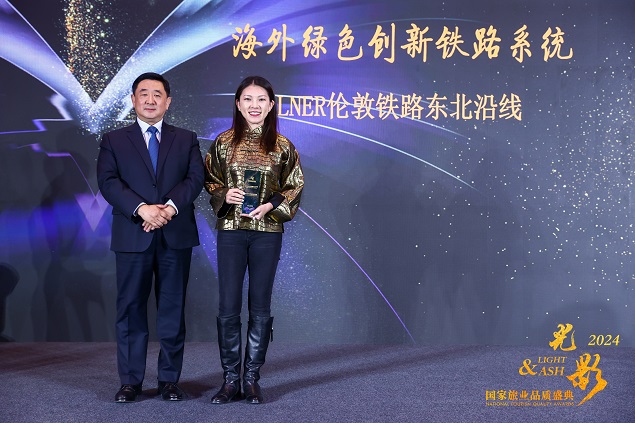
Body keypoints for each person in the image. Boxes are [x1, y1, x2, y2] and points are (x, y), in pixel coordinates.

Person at [97, 72, 204, 403]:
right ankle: (130, 381)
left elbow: (195, 178)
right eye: (143, 93)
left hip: (175, 233)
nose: (150, 99)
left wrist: (168, 209)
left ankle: (169, 380)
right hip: (133, 233)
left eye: (157, 94)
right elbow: (108, 181)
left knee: (172, 309)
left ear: (167, 102)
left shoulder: (186, 138)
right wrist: (142, 209)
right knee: (130, 309)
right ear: (133, 100)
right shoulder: (114, 139)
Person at [204, 76, 304, 404]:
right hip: (231, 230)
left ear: (271, 105)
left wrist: (271, 205)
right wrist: (224, 194)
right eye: (248, 99)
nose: (254, 105)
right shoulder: (223, 142)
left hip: (267, 232)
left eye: (261, 99)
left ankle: (251, 379)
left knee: (260, 305)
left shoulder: (283, 146)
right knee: (228, 305)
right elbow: (210, 180)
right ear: (238, 104)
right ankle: (230, 380)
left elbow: (294, 185)